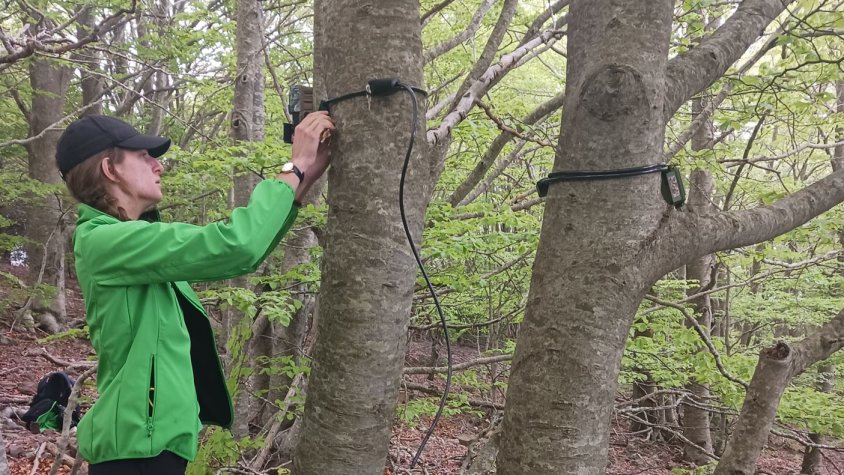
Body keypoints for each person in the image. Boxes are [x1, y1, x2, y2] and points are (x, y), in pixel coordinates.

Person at [55, 112, 334, 474]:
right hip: (136, 452)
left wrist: (304, 178)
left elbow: (246, 250)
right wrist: (293, 165)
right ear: (110, 169)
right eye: (144, 156)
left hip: (151, 447)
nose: (159, 166)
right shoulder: (106, 241)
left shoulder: (133, 245)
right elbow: (238, 244)